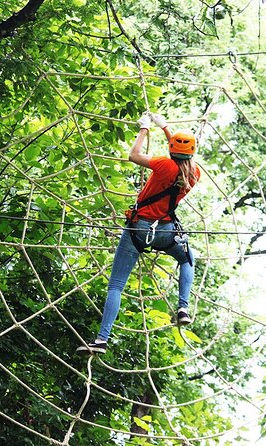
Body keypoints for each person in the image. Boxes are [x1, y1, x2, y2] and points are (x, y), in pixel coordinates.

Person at [76, 113, 201, 355]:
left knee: (116, 285)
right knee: (188, 259)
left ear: (171, 149)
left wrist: (144, 129)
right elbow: (180, 153)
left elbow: (134, 155)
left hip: (138, 230)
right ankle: (183, 307)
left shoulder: (164, 165)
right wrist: (164, 126)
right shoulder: (194, 173)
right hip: (165, 232)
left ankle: (101, 340)